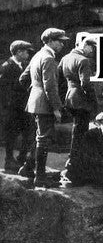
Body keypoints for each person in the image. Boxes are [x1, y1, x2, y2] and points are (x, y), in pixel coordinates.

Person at [19, 27, 72, 186]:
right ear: (49, 41)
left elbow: (23, 78)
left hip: (36, 102)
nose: (62, 44)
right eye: (59, 41)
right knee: (44, 139)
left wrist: (35, 92)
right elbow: (50, 86)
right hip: (45, 104)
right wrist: (56, 108)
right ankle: (40, 177)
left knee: (40, 136)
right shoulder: (48, 58)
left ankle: (28, 167)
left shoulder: (37, 55)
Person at [58, 34, 98, 160]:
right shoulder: (83, 60)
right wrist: (93, 100)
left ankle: (74, 156)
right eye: (91, 47)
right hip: (81, 99)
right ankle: (76, 158)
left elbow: (59, 79)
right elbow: (85, 83)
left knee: (77, 128)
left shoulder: (65, 58)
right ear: (84, 45)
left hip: (70, 98)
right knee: (81, 130)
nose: (92, 50)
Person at [1, 40, 35, 173]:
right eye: (26, 51)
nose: (28, 54)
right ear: (19, 52)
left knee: (28, 132)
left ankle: (21, 158)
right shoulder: (6, 66)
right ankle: (9, 161)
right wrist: (6, 107)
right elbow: (3, 90)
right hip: (11, 108)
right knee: (11, 134)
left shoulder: (24, 64)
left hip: (23, 107)